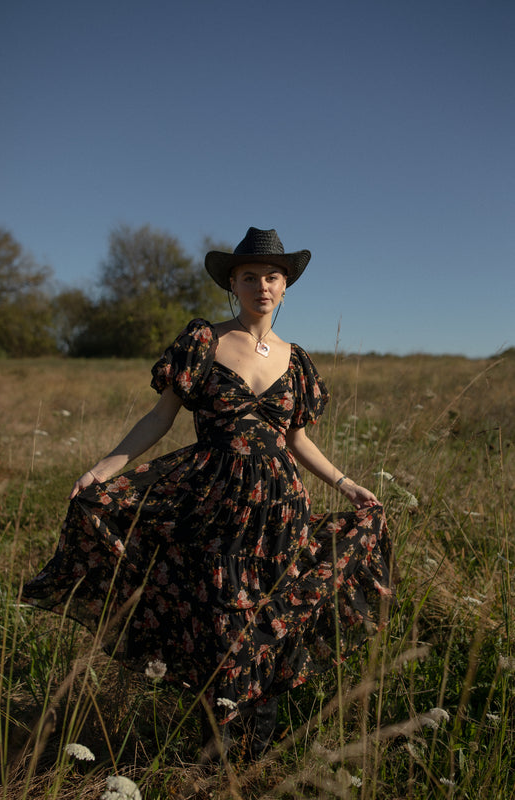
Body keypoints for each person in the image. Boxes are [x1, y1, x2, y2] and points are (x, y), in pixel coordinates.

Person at [22, 227, 397, 760]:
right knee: (222, 620)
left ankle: (254, 753)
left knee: (268, 620)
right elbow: (160, 417)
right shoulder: (203, 342)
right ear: (233, 284)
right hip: (214, 501)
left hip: (282, 509)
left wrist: (346, 483)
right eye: (250, 277)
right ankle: (213, 751)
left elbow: (298, 440)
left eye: (272, 276)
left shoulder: (297, 360)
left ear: (285, 287)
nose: (262, 286)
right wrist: (103, 469)